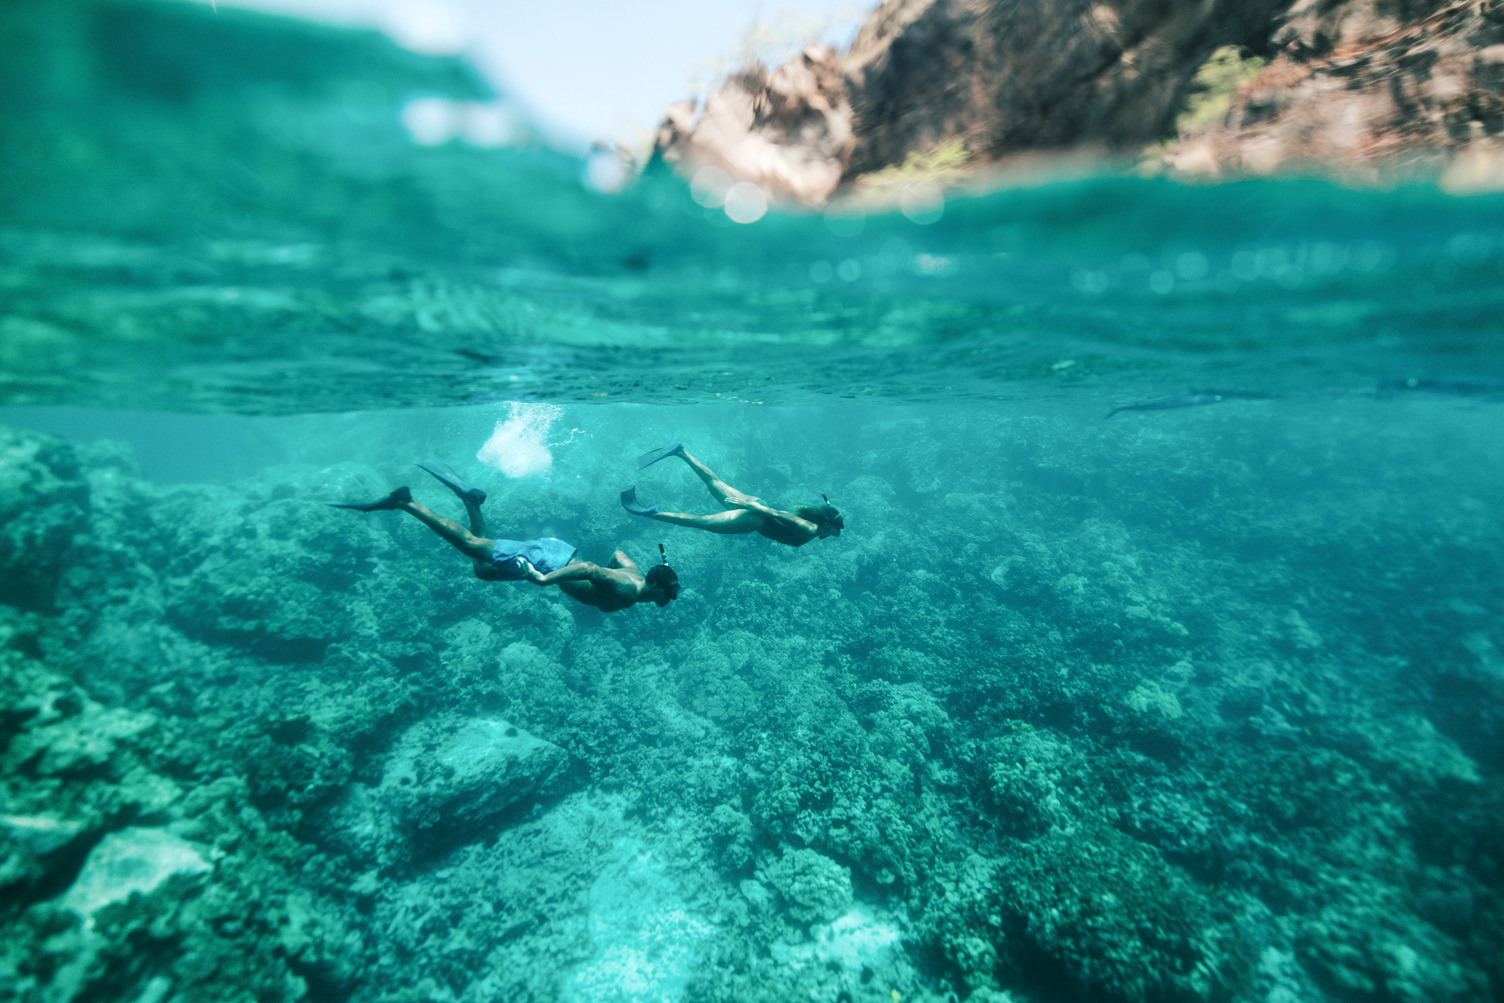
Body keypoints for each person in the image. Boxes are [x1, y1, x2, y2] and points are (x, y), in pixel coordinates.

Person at [332, 460, 680, 613]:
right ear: (656, 586)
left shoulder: (634, 575)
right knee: (472, 546)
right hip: (549, 560)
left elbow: (618, 554)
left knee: (483, 570)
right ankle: (406, 502)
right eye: (671, 593)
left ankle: (471, 502)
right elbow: (589, 568)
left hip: (558, 556)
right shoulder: (630, 590)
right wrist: (545, 579)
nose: (671, 599)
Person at [620, 443, 843, 547]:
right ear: (827, 525)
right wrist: (758, 510)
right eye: (834, 531)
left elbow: (785, 515)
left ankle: (681, 452)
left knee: (714, 482)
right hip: (755, 515)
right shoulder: (811, 528)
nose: (833, 535)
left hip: (757, 505)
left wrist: (757, 506)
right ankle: (649, 513)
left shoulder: (813, 523)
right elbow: (781, 515)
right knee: (702, 522)